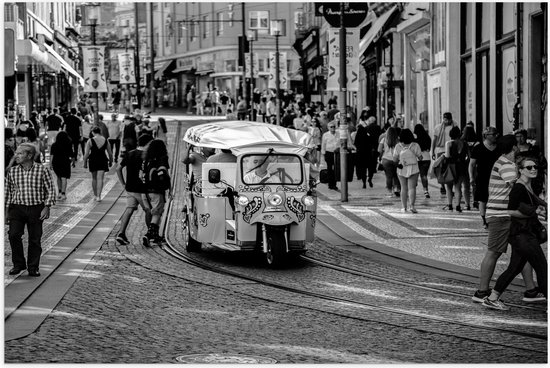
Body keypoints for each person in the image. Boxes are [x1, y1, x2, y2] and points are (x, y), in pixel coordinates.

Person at [472, 134, 538, 303]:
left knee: (522, 251)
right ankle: (481, 292)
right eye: (517, 145)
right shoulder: (506, 165)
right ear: (513, 147)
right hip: (500, 216)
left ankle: (531, 291)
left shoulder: (505, 163)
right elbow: (517, 188)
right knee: (494, 252)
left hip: (506, 215)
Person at [482, 157, 548, 310]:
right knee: (542, 267)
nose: (533, 169)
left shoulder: (529, 186)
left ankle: (492, 298)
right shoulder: (518, 187)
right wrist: (533, 213)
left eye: (535, 167)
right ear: (520, 170)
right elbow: (511, 210)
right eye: (529, 167)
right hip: (522, 235)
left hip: (524, 234)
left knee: (514, 267)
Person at [5, 143, 55, 277]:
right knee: (13, 235)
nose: (17, 155)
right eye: (17, 153)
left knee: (34, 239)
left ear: (30, 155)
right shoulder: (13, 171)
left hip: (36, 208)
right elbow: (8, 191)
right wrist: (6, 212)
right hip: (17, 208)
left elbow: (50, 189)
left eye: (20, 153)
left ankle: (33, 267)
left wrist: (47, 206)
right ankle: (19, 264)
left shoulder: (42, 170)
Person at [115, 134, 154, 245]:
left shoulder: (130, 154)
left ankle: (121, 233)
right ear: (148, 144)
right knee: (148, 210)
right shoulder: (147, 156)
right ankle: (150, 234)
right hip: (142, 190)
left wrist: (123, 183)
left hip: (130, 188)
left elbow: (118, 168)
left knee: (129, 209)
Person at [141, 139, 172, 246]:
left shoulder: (146, 159)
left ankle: (155, 236)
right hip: (157, 191)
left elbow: (141, 175)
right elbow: (166, 175)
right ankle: (148, 235)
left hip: (145, 192)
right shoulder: (162, 158)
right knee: (157, 214)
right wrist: (170, 189)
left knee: (151, 212)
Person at [469, 127, 500, 228]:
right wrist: (471, 177)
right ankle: (484, 219)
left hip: (497, 177)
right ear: (486, 136)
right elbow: (472, 164)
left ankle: (493, 218)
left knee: (495, 198)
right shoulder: (478, 148)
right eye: (494, 134)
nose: (496, 136)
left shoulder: (499, 147)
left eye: (496, 133)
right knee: (483, 199)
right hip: (482, 177)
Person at [393, 128, 422, 213]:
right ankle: (412, 206)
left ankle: (404, 207)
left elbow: (394, 159)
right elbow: (420, 157)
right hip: (413, 168)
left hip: (401, 168)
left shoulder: (398, 146)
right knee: (412, 188)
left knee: (403, 188)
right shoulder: (415, 145)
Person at [430, 112, 458, 195]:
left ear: (450, 119)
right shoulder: (438, 127)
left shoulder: (455, 125)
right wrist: (433, 151)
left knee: (451, 168)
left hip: (451, 149)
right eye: (445, 119)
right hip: (440, 149)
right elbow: (434, 140)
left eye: (448, 119)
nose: (446, 121)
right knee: (441, 168)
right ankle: (442, 186)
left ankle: (450, 186)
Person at [83, 126, 113, 202]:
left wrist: (85, 162)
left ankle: (95, 195)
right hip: (103, 160)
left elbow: (86, 153)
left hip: (93, 160)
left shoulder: (90, 140)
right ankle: (99, 196)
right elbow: (110, 153)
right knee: (100, 178)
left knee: (94, 178)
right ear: (100, 132)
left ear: (93, 132)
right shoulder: (106, 140)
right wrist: (111, 161)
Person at [443, 126, 469, 212]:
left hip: (451, 167)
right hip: (461, 166)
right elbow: (468, 156)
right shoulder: (464, 143)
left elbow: (447, 156)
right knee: (458, 187)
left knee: (449, 187)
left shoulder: (449, 143)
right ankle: (458, 205)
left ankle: (450, 205)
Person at [49, 130, 74, 201]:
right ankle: (63, 194)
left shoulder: (54, 145)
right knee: (64, 178)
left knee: (58, 177)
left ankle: (59, 192)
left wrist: (50, 164)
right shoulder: (68, 144)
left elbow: (52, 155)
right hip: (65, 162)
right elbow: (71, 154)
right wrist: (73, 161)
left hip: (56, 163)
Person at [378, 127, 401, 198]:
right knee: (396, 175)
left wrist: (379, 158)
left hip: (386, 159)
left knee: (388, 176)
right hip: (395, 159)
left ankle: (390, 191)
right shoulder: (398, 140)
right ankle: (396, 189)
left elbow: (379, 150)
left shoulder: (383, 139)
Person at [461, 125, 480, 209]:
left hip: (465, 166)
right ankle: (475, 202)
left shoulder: (462, 142)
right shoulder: (477, 142)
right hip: (475, 165)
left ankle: (466, 204)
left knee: (465, 186)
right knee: (475, 185)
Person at [413, 124, 432, 198]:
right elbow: (428, 149)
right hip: (427, 158)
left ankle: (413, 189)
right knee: (424, 175)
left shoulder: (415, 140)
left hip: (417, 159)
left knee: (414, 175)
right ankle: (426, 191)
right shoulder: (428, 137)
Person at [321, 122, 340, 191]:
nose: (333, 128)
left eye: (334, 126)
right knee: (329, 169)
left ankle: (334, 184)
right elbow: (323, 144)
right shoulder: (325, 135)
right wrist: (323, 154)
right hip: (329, 153)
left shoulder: (338, 134)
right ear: (328, 128)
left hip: (336, 153)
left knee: (336, 169)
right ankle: (330, 184)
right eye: (331, 127)